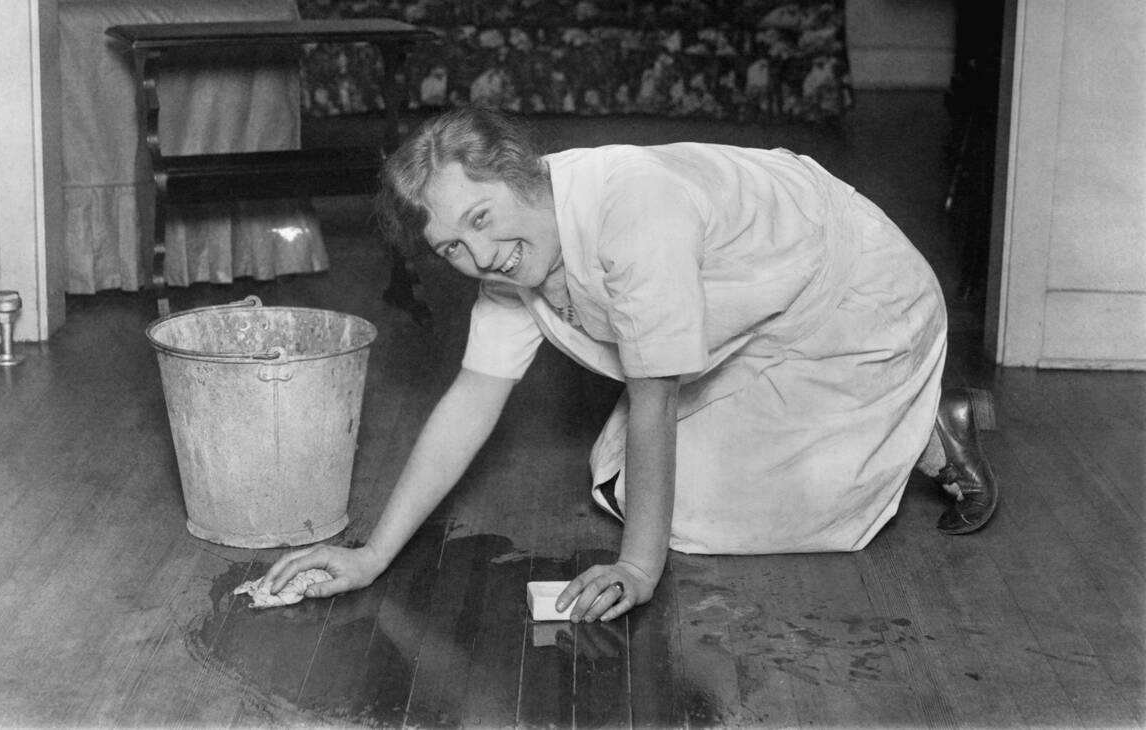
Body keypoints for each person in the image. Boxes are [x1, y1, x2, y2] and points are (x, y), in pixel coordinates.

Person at [262, 107, 998, 624]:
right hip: (758, 324)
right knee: (622, 484)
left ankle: (926, 427)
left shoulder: (632, 209)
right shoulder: (513, 261)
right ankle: (894, 423)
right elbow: (471, 400)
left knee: (706, 513)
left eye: (481, 218)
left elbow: (655, 397)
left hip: (855, 300)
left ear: (520, 174)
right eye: (451, 247)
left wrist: (639, 571)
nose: (480, 255)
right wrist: (371, 556)